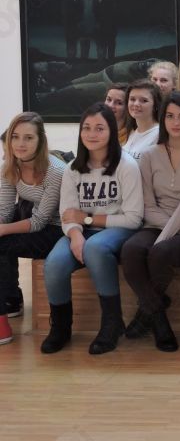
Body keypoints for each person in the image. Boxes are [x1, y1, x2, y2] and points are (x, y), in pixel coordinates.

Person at [42, 103, 143, 354]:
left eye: (99, 128)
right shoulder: (73, 169)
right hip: (82, 230)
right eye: (86, 128)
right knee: (54, 263)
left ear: (111, 131)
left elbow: (133, 219)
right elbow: (68, 214)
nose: (91, 134)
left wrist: (87, 219)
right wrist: (76, 235)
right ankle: (60, 328)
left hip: (117, 228)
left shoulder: (126, 165)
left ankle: (112, 323)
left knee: (95, 248)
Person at [120, 91, 180, 352]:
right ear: (162, 119)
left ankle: (147, 315)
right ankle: (157, 315)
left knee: (160, 252)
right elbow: (147, 205)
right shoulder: (149, 155)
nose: (176, 122)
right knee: (130, 250)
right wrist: (178, 229)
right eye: (170, 116)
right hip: (161, 222)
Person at [0, 113, 67, 346]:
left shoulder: (55, 171)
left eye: (28, 138)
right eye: (15, 137)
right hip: (33, 222)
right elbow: (4, 211)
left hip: (58, 229)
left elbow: (39, 220)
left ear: (40, 141)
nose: (20, 143)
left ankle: (3, 318)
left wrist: (2, 230)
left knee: (2, 242)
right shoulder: (9, 167)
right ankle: (8, 304)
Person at [123, 80, 162, 161]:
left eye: (144, 100)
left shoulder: (159, 134)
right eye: (132, 99)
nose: (136, 104)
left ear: (156, 105)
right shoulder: (132, 132)